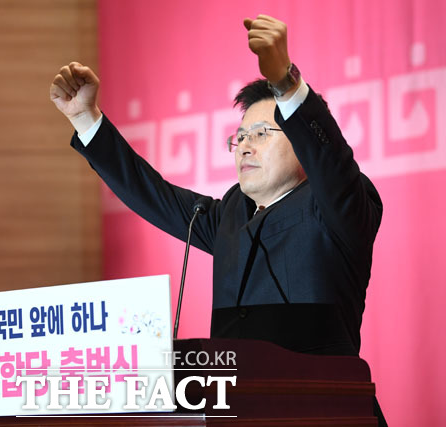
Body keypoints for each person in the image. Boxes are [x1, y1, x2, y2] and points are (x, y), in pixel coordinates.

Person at [50, 14, 385, 423]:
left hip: (322, 412)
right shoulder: (228, 215)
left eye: (261, 133)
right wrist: (86, 119)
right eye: (239, 137)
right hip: (235, 411)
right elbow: (152, 194)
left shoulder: (337, 205)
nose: (244, 146)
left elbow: (332, 161)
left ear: (301, 142)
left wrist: (285, 82)